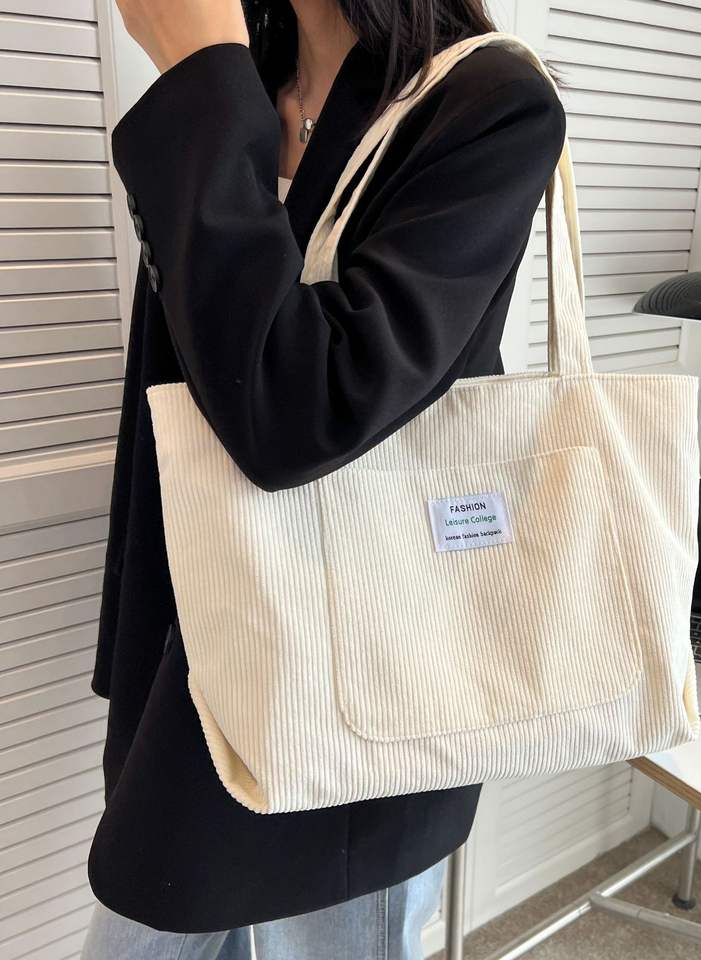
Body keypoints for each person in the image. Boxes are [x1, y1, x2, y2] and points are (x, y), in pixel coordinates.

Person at [84, 0, 566, 954]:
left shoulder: (487, 100)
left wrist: (203, 78)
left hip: (362, 686)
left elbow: (297, 411)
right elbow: (178, 383)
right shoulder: (252, 80)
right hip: (195, 648)